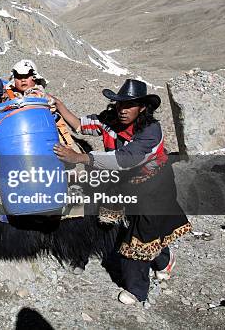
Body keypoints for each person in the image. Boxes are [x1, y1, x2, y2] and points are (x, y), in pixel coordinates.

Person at [50, 78, 192, 305]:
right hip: (126, 183)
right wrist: (59, 105)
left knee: (141, 233)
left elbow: (124, 160)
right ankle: (163, 260)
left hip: (153, 185)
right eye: (119, 104)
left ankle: (137, 289)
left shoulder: (150, 131)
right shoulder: (110, 120)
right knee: (135, 223)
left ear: (143, 107)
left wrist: (79, 157)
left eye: (129, 105)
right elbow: (79, 125)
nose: (123, 110)